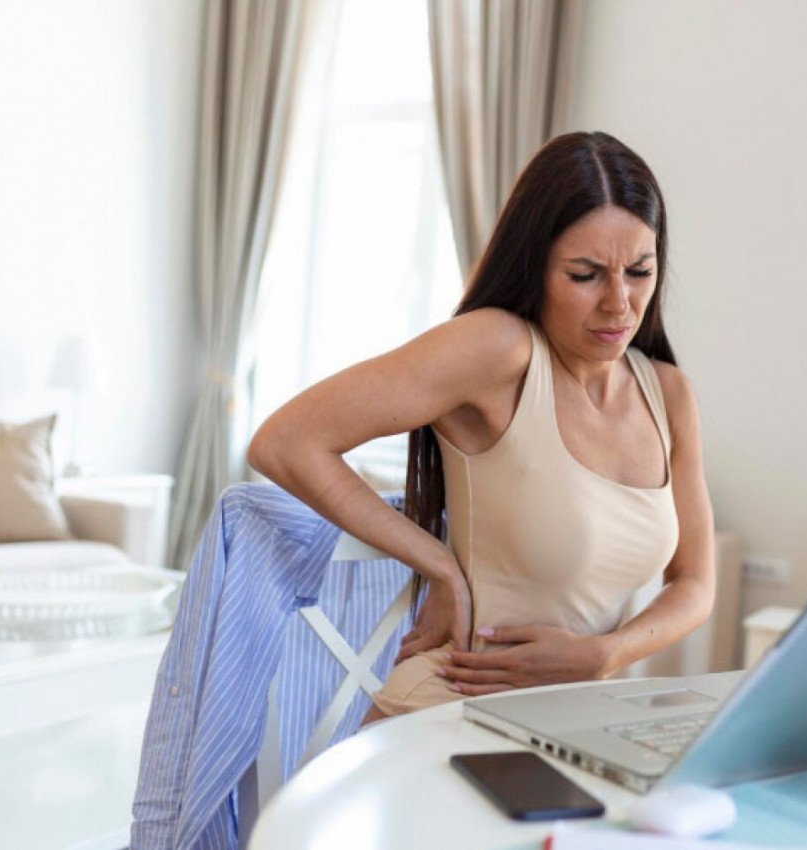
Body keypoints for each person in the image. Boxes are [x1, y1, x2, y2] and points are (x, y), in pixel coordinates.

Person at [247, 131, 715, 725]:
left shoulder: (666, 393)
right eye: (586, 274)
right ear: (536, 266)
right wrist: (438, 563)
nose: (620, 304)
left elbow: (696, 583)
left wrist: (604, 655)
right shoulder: (499, 350)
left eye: (640, 271)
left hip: (572, 727)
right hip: (449, 716)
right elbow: (284, 442)